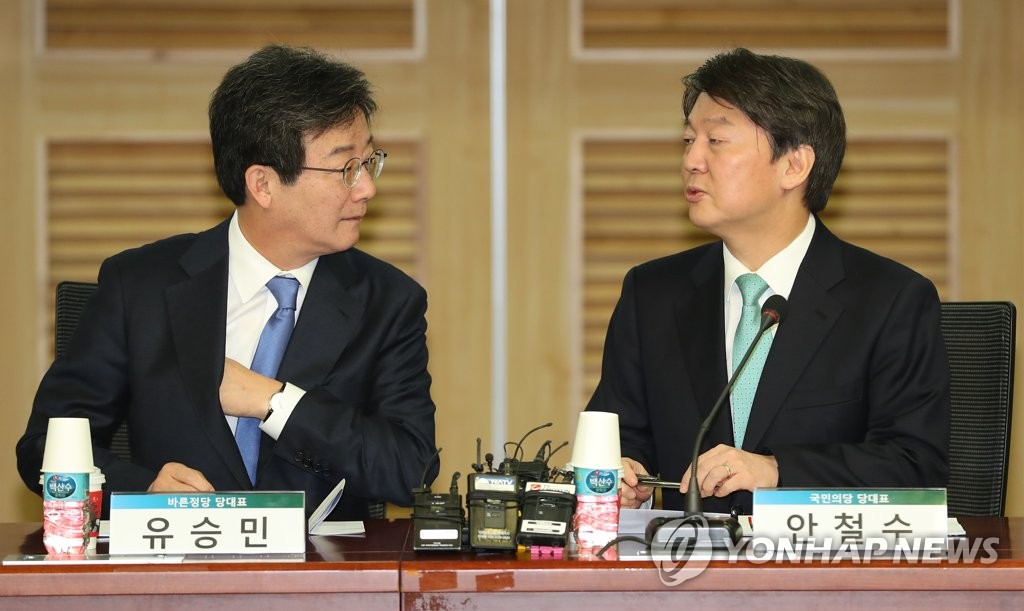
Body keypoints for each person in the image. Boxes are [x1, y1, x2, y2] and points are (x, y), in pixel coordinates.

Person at [17, 45, 439, 519]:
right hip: (174, 558)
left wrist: (274, 402)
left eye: (368, 161)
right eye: (346, 169)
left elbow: (411, 468)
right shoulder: (139, 287)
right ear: (263, 185)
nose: (367, 187)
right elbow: (43, 447)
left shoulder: (388, 302)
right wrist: (140, 490)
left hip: (320, 564)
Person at [585, 48, 949, 516]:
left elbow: (915, 465)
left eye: (716, 140)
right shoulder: (651, 294)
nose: (691, 160)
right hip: (685, 558)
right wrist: (622, 473)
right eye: (688, 140)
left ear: (794, 166)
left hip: (824, 560)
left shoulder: (890, 300)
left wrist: (777, 470)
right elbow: (621, 437)